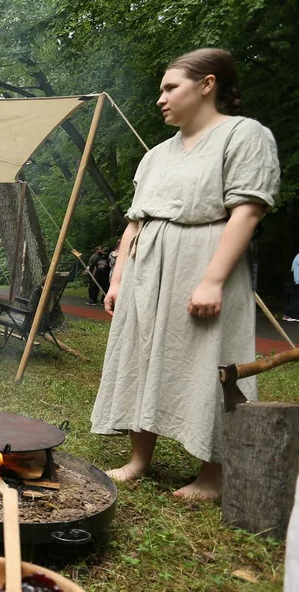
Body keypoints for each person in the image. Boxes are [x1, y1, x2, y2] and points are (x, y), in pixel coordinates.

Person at [91, 48, 279, 501]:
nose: (162, 98)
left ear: (207, 84)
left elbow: (248, 210)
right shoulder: (156, 155)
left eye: (171, 87)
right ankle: (139, 459)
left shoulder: (243, 134)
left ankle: (213, 475)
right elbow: (135, 222)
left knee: (210, 358)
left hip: (203, 262)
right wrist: (117, 279)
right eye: (161, 89)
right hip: (146, 270)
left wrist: (212, 279)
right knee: (143, 353)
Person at [285, 250, 299, 322]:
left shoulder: (296, 257)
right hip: (297, 282)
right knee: (295, 300)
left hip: (295, 282)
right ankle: (291, 315)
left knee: (294, 299)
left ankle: (289, 315)